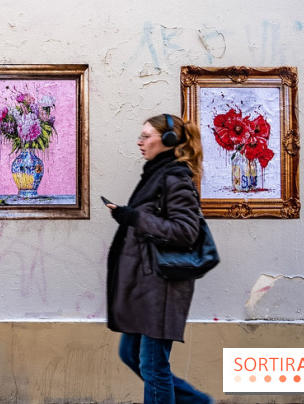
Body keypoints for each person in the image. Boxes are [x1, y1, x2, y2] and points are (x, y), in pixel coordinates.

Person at [105, 114, 213, 404]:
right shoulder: (156, 174)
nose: (140, 142)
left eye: (146, 136)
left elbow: (186, 231)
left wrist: (133, 217)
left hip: (162, 286)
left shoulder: (175, 178)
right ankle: (200, 403)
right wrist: (129, 216)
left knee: (153, 365)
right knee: (130, 354)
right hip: (146, 285)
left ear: (168, 141)